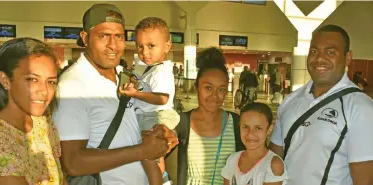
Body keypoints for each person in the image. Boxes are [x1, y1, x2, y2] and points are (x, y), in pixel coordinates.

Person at [52, 4, 177, 185]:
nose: (113, 45)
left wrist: (160, 134)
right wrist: (143, 151)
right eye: (103, 36)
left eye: (118, 36)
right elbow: (73, 163)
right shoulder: (73, 85)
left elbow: (131, 129)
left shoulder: (124, 75)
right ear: (85, 38)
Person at [269, 24, 373, 185]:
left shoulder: (361, 108)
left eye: (330, 52)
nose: (319, 59)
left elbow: (365, 181)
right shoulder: (291, 101)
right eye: (314, 51)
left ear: (348, 58)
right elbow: (274, 159)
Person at [0, 37, 65, 185]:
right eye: (32, 79)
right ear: (5, 80)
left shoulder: (44, 124)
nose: (44, 91)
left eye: (51, 82)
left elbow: (60, 179)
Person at [167, 47, 246, 185]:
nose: (215, 96)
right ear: (197, 87)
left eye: (221, 89)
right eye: (208, 88)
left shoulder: (236, 124)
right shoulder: (181, 123)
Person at [119, 16, 180, 179]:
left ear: (167, 46)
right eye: (140, 46)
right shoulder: (149, 68)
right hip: (146, 115)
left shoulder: (161, 72)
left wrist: (135, 94)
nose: (145, 52)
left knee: (150, 152)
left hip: (156, 116)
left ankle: (161, 179)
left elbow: (162, 99)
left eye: (151, 46)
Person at [221, 103, 289, 185]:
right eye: (245, 127)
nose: (250, 134)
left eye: (258, 128)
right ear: (239, 127)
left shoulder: (272, 165)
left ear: (269, 129)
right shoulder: (232, 160)